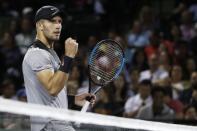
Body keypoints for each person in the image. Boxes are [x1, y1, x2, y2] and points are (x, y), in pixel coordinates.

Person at [22, 5, 95, 131]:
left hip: (56, 124)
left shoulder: (50, 54)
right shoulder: (37, 53)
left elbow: (48, 95)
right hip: (50, 125)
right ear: (40, 25)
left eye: (59, 21)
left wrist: (73, 99)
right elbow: (53, 88)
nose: (58, 26)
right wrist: (69, 56)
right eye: (52, 21)